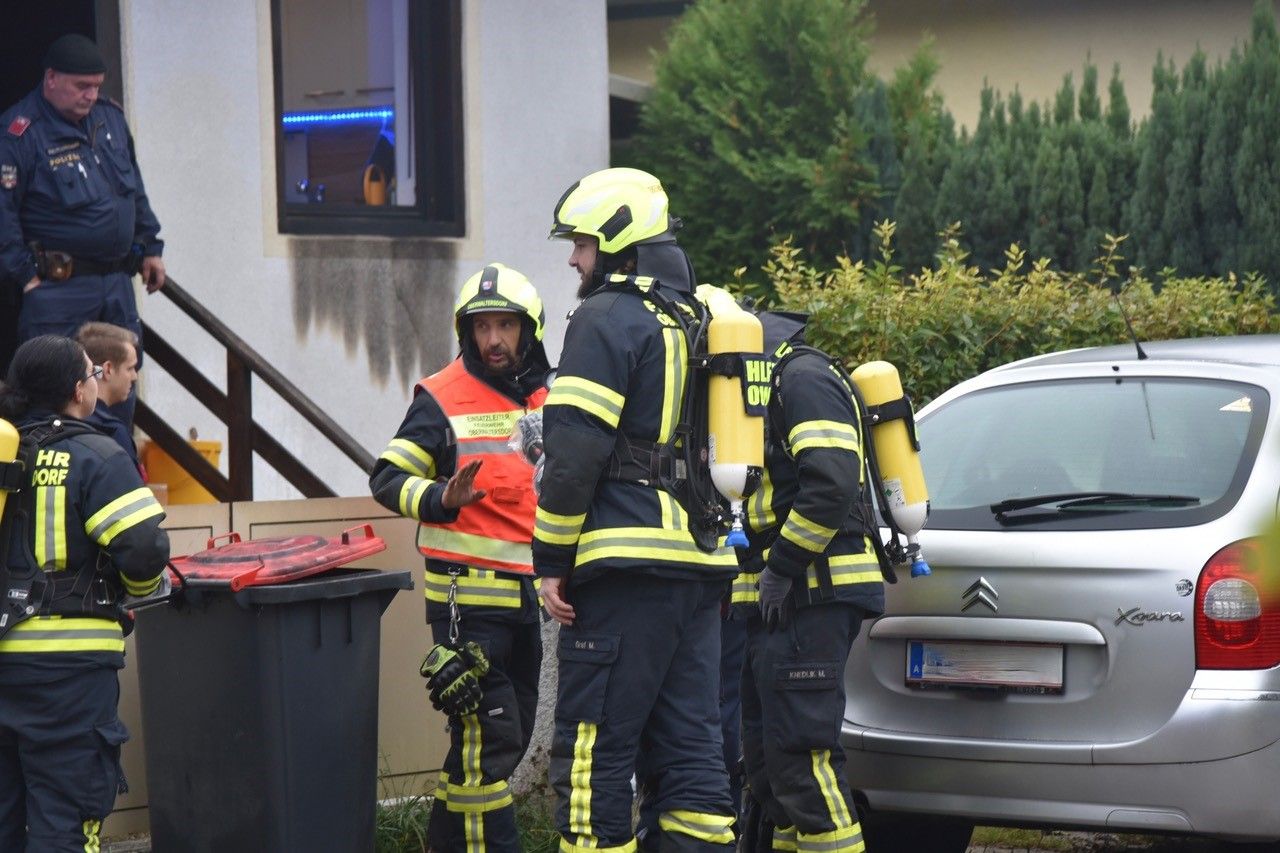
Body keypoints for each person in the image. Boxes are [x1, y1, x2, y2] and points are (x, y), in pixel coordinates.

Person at [535, 167, 739, 851]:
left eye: (581, 244)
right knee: (693, 757)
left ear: (618, 243)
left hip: (625, 569)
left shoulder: (604, 318)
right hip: (701, 569)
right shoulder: (698, 319)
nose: (573, 259)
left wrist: (551, 562)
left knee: (592, 756)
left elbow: (573, 456)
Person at [369, 263, 551, 853]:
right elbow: (386, 478)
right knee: (489, 746)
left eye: (505, 326)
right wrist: (440, 500)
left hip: (528, 601)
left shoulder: (553, 396)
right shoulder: (441, 396)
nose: (492, 339)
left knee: (502, 740)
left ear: (529, 330)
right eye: (481, 327)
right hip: (465, 606)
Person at [0, 334, 169, 852]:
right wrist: (137, 593)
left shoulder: (5, 454)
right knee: (65, 823)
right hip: (69, 673)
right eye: (93, 374)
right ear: (79, 391)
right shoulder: (97, 455)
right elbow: (144, 548)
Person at [734, 312, 885, 852]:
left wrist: (781, 567)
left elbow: (832, 483)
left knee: (804, 762)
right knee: (771, 771)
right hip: (779, 603)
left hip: (813, 595)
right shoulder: (762, 388)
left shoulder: (801, 378)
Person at [0, 34, 166, 426]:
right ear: (51, 78)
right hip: (59, 288)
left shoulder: (110, 119)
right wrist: (25, 276)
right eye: (81, 86)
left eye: (96, 86)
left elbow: (133, 190)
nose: (91, 95)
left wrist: (150, 246)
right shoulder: (20, 132)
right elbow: (3, 214)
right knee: (56, 397)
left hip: (116, 283)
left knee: (120, 388)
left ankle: (116, 460)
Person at [75, 321, 141, 472]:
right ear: (108, 369)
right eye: (130, 368)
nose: (134, 376)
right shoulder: (113, 432)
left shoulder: (58, 419)